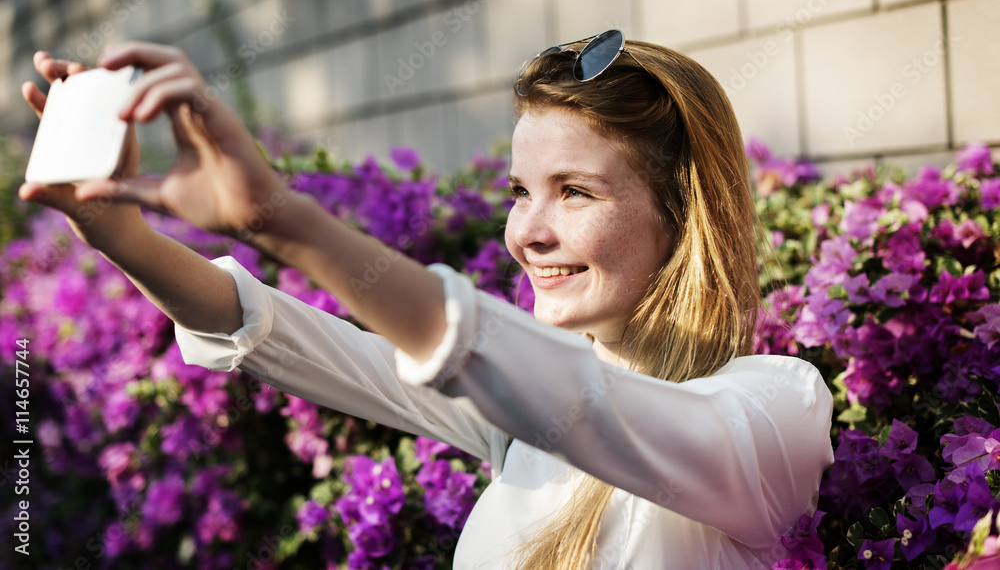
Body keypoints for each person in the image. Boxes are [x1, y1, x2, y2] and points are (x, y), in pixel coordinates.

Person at [20, 30, 834, 569]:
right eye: (520, 190)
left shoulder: (774, 410)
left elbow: (584, 401)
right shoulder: (523, 424)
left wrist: (281, 218)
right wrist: (111, 228)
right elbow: (288, 337)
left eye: (575, 192)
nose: (528, 232)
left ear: (684, 215)